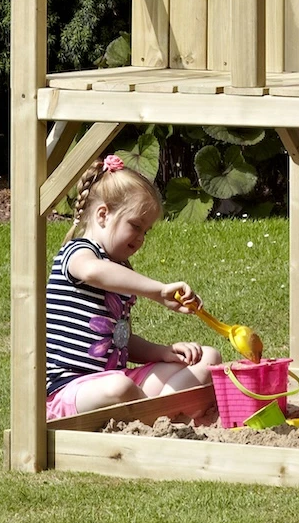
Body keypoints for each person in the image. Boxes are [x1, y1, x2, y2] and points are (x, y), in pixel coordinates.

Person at [45, 154, 220, 420]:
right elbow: (93, 271)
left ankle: (157, 417)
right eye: (135, 226)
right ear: (103, 214)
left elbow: (119, 340)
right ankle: (162, 419)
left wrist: (162, 351)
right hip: (70, 390)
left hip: (120, 380)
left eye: (146, 231)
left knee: (209, 358)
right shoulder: (77, 252)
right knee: (120, 387)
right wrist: (158, 291)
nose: (140, 239)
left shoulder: (122, 269)